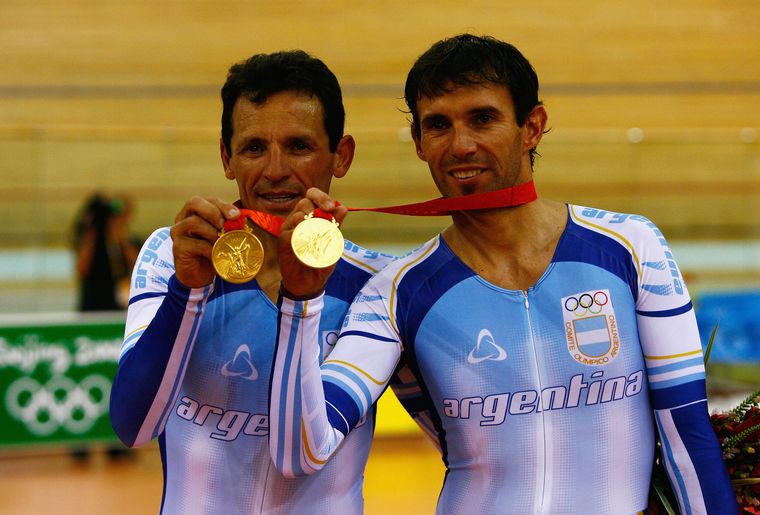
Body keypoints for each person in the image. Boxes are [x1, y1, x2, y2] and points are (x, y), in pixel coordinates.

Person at [271, 34, 738, 514]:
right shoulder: (395, 291)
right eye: (438, 125)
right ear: (418, 143)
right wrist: (301, 301)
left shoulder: (631, 247)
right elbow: (300, 451)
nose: (461, 145)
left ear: (532, 126)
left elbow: (688, 434)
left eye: (483, 118)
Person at [108, 50, 394, 513]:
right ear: (226, 157)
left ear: (341, 156)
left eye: (299, 146)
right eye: (254, 147)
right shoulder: (173, 253)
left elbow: (298, 457)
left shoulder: (379, 282)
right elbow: (133, 426)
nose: (275, 170)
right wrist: (188, 292)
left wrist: (303, 298)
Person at [73, 192, 140, 312]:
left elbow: (138, 266)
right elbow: (81, 269)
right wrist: (92, 232)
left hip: (119, 307)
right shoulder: (90, 241)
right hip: (92, 306)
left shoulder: (129, 241)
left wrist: (120, 236)